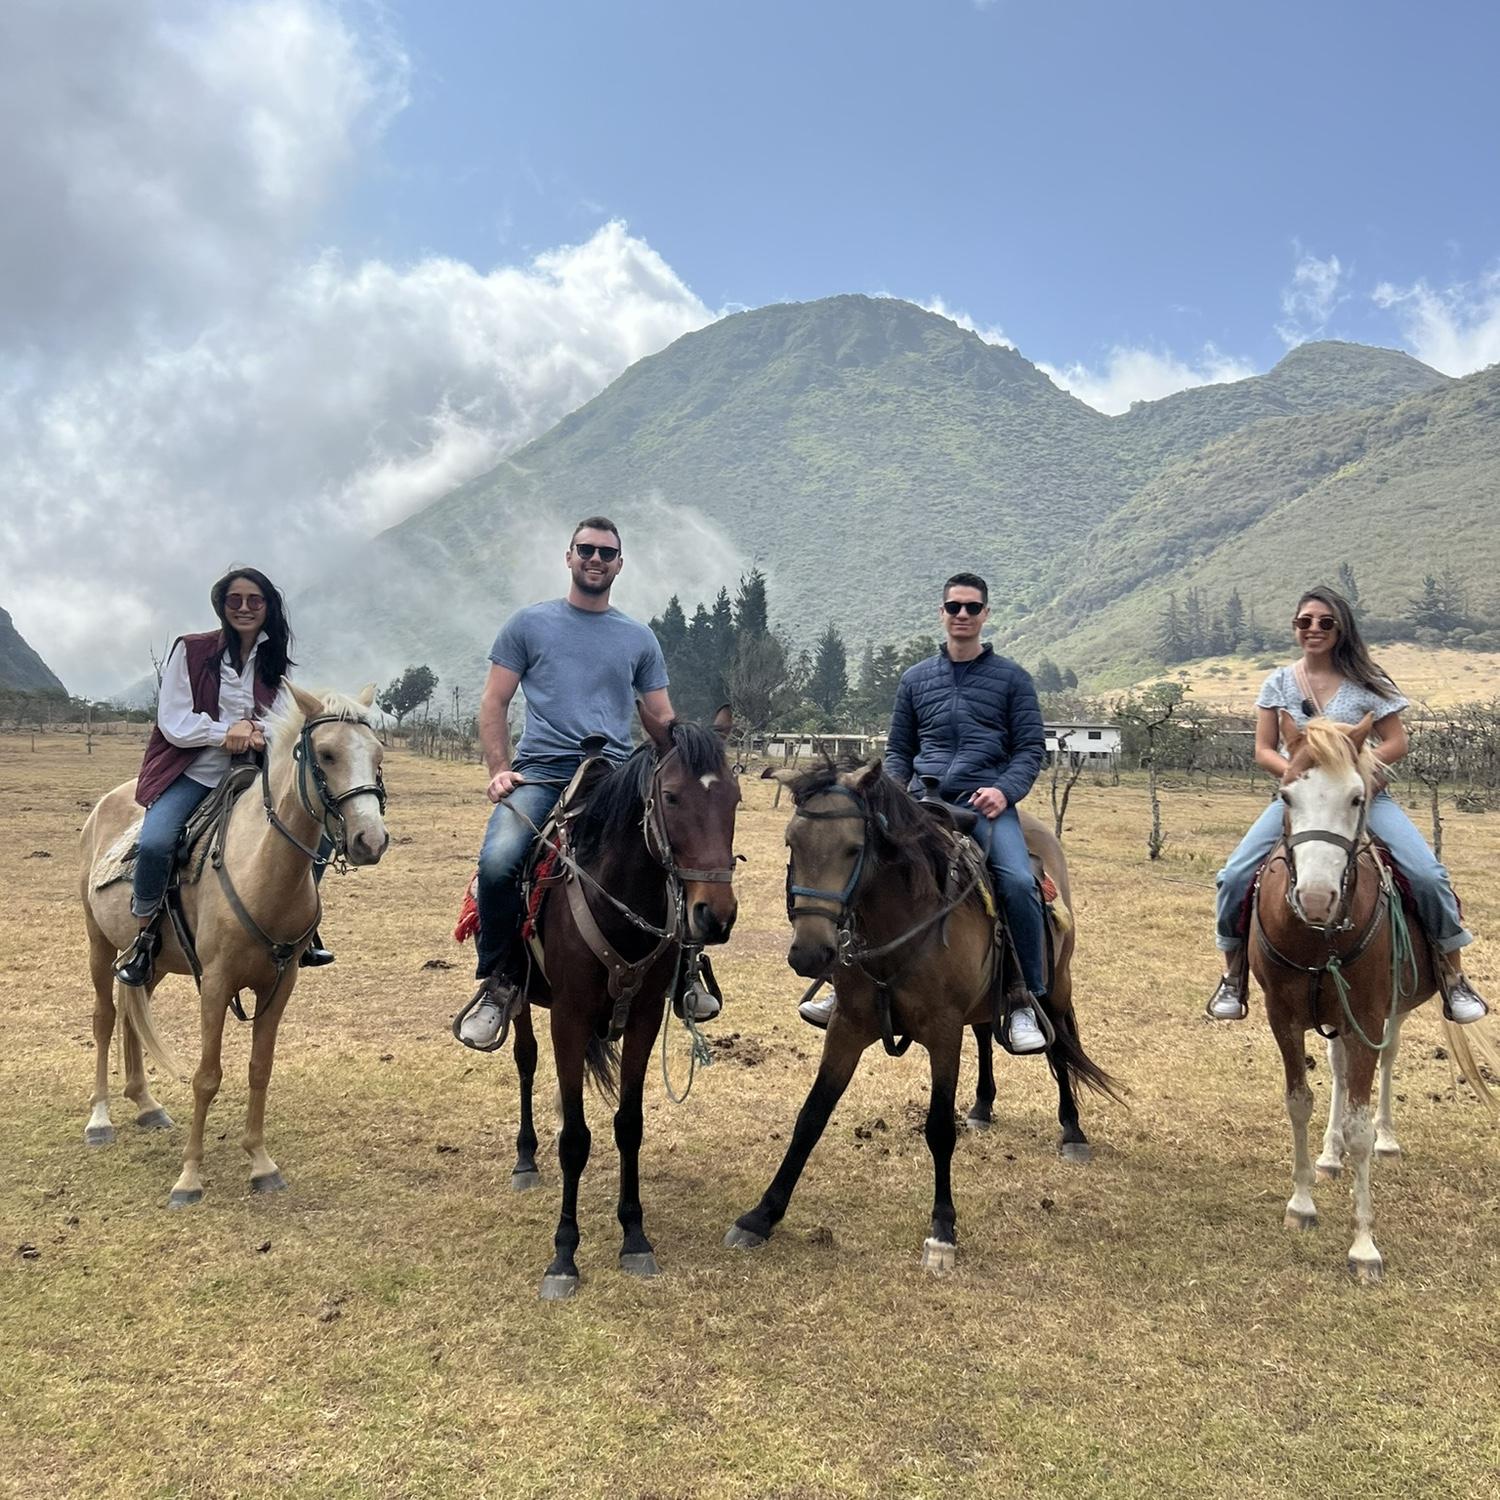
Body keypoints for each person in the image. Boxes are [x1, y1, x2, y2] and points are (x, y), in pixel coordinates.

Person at [457, 516, 717, 1050]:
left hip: (615, 776)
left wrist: (692, 756)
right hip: (541, 771)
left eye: (606, 553)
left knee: (675, 850)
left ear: (619, 564)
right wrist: (498, 769)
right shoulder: (528, 625)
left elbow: (661, 716)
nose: (596, 559)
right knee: (499, 862)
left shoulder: (638, 638)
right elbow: (494, 701)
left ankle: (685, 970)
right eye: (586, 550)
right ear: (569, 556)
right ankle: (501, 981)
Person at [1207, 585, 1487, 1024]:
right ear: (1295, 627)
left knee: (1428, 875)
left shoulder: (1368, 681)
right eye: (1304, 621)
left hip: (1365, 797)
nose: (1313, 629)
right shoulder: (1278, 682)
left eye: (1325, 622)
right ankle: (1234, 975)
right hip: (1301, 800)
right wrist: (1297, 776)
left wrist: (1357, 771)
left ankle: (1453, 976)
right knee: (1234, 875)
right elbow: (1263, 749)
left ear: (1341, 629)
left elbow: (1397, 742)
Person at [798, 572, 1050, 1054]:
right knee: (861, 868)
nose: (962, 615)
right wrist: (894, 793)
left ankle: (1022, 998)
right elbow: (899, 750)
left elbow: (1029, 750)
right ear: (941, 613)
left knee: (1019, 883)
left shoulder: (1013, 679)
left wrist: (1003, 791)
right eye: (954, 606)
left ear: (985, 615)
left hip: (984, 808)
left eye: (971, 607)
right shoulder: (916, 679)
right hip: (921, 803)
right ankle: (841, 982)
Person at [114, 566, 334, 987]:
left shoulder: (274, 660)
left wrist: (254, 729)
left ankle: (302, 929)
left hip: (255, 774)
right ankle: (144, 938)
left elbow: (283, 721)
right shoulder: (191, 650)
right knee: (156, 842)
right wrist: (224, 732)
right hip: (194, 772)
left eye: (254, 600)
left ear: (267, 607)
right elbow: (173, 720)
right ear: (222, 605)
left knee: (317, 836)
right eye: (235, 599)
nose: (244, 608)